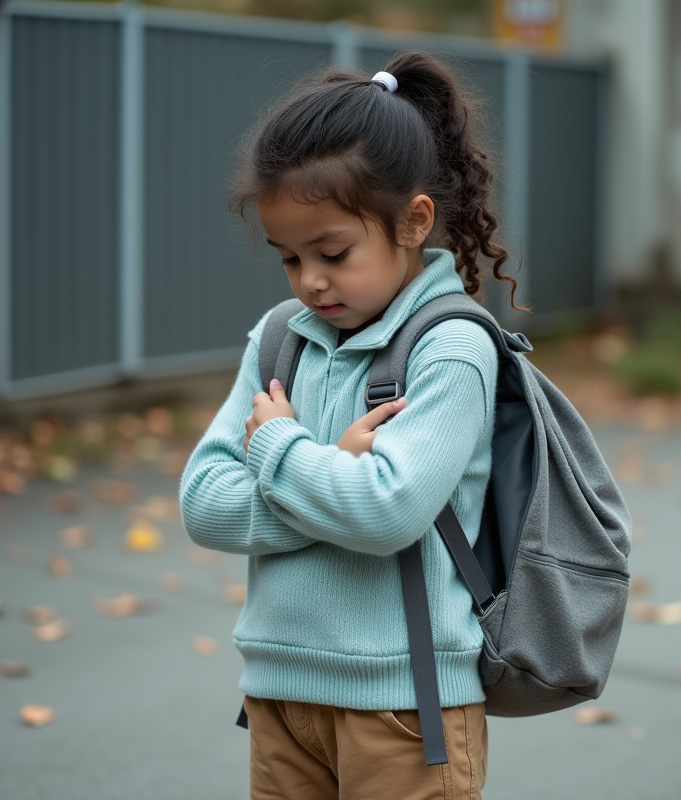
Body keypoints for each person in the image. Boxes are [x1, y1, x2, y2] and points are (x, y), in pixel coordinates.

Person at [179, 50, 525, 800]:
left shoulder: (451, 347)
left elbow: (386, 511)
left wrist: (279, 450)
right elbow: (203, 503)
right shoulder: (281, 338)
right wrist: (332, 471)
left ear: (413, 221)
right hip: (278, 692)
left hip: (405, 706)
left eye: (333, 253)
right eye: (289, 258)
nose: (310, 281)